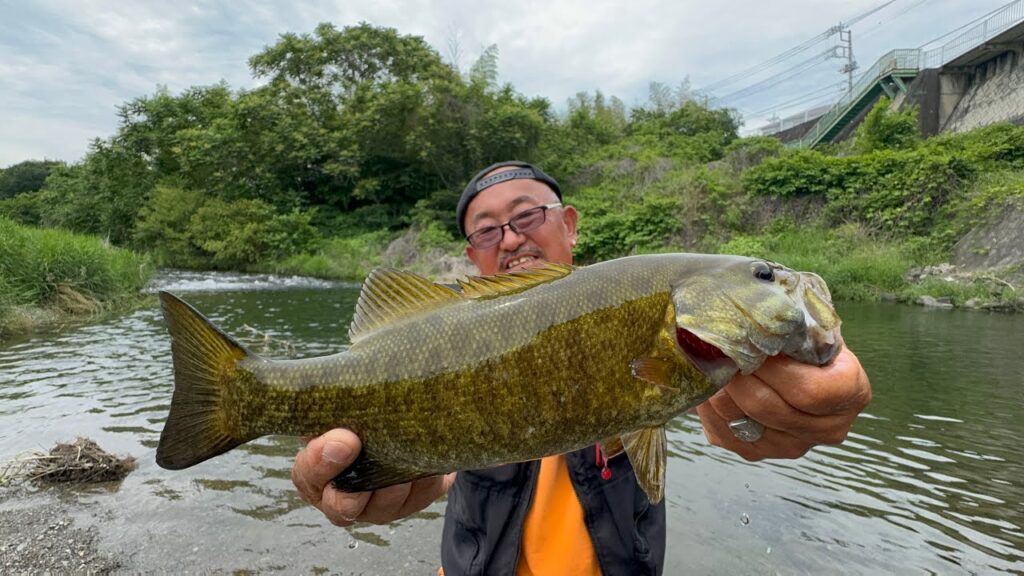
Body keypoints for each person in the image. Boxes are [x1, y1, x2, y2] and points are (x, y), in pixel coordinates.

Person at [291, 161, 872, 575]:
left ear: (568, 224)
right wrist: (385, 477)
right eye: (487, 230)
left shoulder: (652, 325)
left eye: (528, 216)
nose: (512, 238)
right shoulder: (439, 340)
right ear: (471, 256)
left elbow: (725, 412)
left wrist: (770, 416)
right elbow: (444, 475)